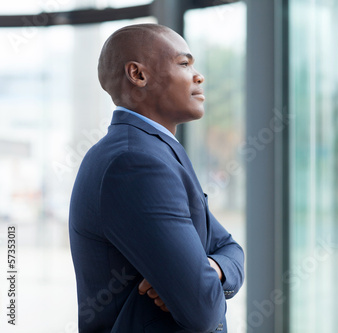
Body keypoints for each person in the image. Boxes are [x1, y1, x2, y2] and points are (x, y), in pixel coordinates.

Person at [69, 23, 244, 333]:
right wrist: (197, 283)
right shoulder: (136, 163)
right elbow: (202, 310)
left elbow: (230, 248)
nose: (198, 75)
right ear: (138, 75)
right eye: (184, 63)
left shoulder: (147, 152)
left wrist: (214, 268)